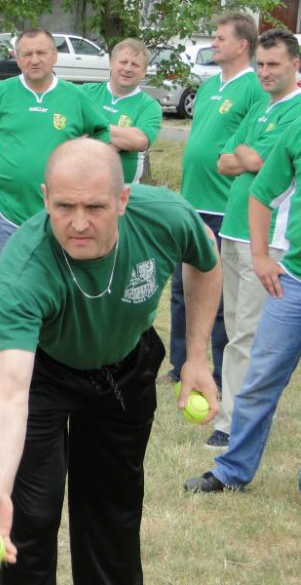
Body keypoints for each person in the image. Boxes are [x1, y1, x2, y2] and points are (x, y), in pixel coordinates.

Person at [0, 138, 222, 583]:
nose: (78, 224)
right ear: (44, 197)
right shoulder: (22, 271)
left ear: (123, 200)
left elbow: (205, 260)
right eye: (64, 206)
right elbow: (8, 392)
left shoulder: (166, 217)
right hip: (43, 371)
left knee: (113, 514)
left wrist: (196, 357)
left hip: (124, 366)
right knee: (30, 513)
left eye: (96, 208)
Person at [0, 27, 110, 398]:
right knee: (1, 291)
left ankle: (63, 366)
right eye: (26, 54)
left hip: (62, 219)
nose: (34, 60)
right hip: (8, 213)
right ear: (17, 58)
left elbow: (102, 133)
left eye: (41, 53)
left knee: (68, 290)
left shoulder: (74, 97)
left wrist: (87, 171)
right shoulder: (2, 94)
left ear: (55, 56)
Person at [184, 110, 301, 492]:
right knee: (259, 377)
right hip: (294, 281)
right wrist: (262, 256)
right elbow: (262, 191)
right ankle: (232, 471)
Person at [205, 29, 301, 450]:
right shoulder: (261, 105)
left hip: (269, 242)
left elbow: (264, 166)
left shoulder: (296, 113)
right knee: (234, 329)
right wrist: (248, 156)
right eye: (260, 64)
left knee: (248, 334)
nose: (263, 72)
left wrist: (249, 156)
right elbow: (225, 159)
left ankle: (230, 425)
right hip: (233, 227)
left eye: (273, 64)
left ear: (295, 66)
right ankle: (235, 416)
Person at [166, 12, 263, 388]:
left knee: (220, 296)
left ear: (242, 45)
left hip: (224, 207)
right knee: (181, 288)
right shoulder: (207, 87)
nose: (214, 43)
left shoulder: (253, 86)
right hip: (191, 202)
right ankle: (180, 364)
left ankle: (220, 373)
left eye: (220, 38)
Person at [82, 37, 161, 183]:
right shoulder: (86, 92)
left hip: (125, 190)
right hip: (80, 184)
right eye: (123, 62)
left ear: (144, 72)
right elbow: (67, 128)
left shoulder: (150, 106)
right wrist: (119, 139)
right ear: (111, 63)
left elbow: (139, 140)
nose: (128, 68)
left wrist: (93, 129)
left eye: (135, 65)